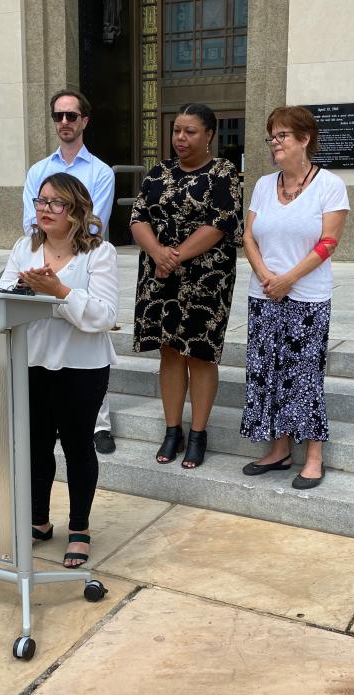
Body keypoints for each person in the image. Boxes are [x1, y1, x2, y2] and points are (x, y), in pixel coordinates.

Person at [0, 173, 119, 568]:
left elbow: (105, 315)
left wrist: (60, 293)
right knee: (36, 446)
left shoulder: (99, 253)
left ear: (76, 209)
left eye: (56, 203)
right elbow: (2, 296)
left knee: (77, 446)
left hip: (81, 366)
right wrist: (20, 293)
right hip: (31, 360)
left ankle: (80, 528)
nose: (45, 210)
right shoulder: (24, 247)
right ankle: (38, 520)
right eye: (41, 201)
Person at [239, 105, 349, 490]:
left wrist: (288, 279)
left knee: (303, 375)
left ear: (305, 139)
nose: (275, 144)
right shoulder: (263, 185)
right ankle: (279, 449)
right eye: (272, 136)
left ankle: (313, 456)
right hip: (264, 293)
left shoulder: (329, 185)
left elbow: (329, 242)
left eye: (282, 136)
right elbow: (248, 236)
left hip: (306, 296)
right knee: (266, 371)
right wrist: (267, 276)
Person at [130, 103, 242, 470]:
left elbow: (220, 223)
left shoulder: (224, 173)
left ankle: (198, 433)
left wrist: (173, 257)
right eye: (177, 130)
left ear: (209, 134)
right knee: (169, 351)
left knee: (200, 353)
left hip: (206, 279)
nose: (180, 137)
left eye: (189, 131)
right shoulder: (158, 172)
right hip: (159, 277)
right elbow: (138, 218)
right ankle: (172, 429)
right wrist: (158, 253)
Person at [22, 90, 117, 455]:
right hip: (43, 253)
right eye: (58, 116)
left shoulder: (100, 172)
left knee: (87, 333)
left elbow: (96, 221)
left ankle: (99, 424)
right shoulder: (38, 170)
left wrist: (66, 265)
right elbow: (30, 219)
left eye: (71, 116)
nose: (64, 122)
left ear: (84, 121)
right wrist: (44, 256)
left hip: (83, 255)